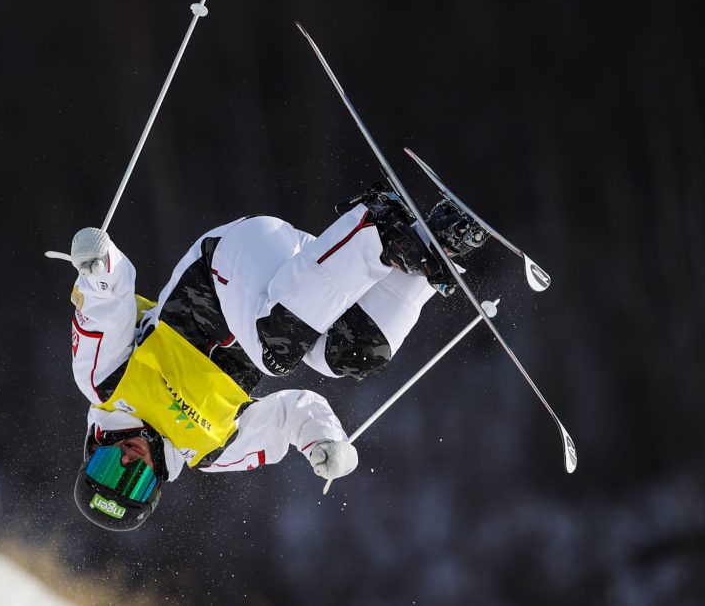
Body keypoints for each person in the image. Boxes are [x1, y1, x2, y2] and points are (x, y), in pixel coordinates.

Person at [68, 186, 488, 530]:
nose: (129, 461)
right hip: (298, 284)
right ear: (154, 487)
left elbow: (107, 306)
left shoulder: (105, 383)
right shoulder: (211, 452)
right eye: (133, 481)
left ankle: (378, 224)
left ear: (94, 450)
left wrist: (99, 267)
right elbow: (291, 415)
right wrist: (321, 441)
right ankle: (436, 242)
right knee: (350, 356)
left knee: (275, 354)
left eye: (108, 468)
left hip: (233, 260)